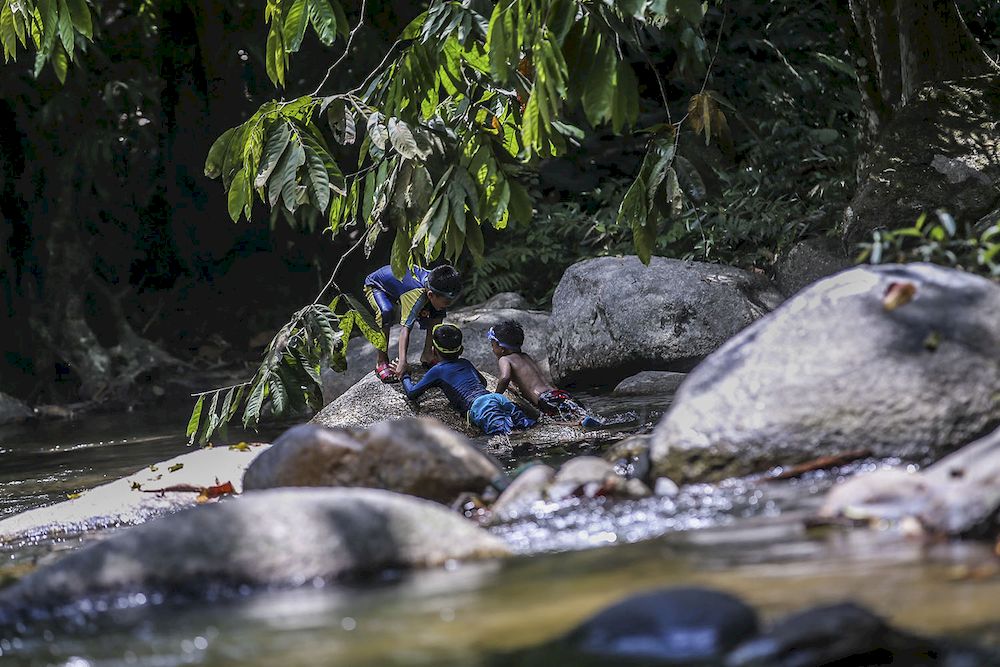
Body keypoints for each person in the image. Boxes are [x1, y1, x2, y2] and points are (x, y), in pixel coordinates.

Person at [401, 324, 535, 436]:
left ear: (433, 351)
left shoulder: (437, 370)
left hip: (480, 407)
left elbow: (412, 393)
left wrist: (405, 375)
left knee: (504, 434)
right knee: (527, 425)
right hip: (496, 398)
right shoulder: (465, 362)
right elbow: (483, 383)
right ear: (461, 350)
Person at [489, 320, 602, 428]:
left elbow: (505, 377)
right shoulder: (526, 357)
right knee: (578, 412)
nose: (492, 349)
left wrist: (495, 396)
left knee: (545, 423)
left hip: (545, 399)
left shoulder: (505, 359)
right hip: (558, 394)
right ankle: (585, 421)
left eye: (493, 345)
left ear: (502, 349)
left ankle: (579, 424)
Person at [363, 264, 462, 382]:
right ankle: (382, 361)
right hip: (377, 286)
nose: (448, 305)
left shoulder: (438, 283)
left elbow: (438, 306)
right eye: (446, 302)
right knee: (386, 312)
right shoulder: (416, 295)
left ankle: (428, 355)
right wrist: (402, 362)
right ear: (430, 295)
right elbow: (405, 329)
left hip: (404, 287)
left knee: (438, 311)